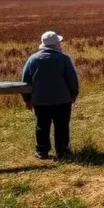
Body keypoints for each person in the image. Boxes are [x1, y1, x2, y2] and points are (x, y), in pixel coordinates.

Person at [21, 31, 79, 160]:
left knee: (42, 125)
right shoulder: (64, 59)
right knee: (62, 125)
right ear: (56, 44)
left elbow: (25, 80)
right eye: (59, 42)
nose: (60, 44)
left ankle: (42, 152)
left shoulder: (33, 59)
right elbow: (72, 79)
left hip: (40, 100)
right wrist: (74, 94)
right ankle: (63, 152)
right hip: (62, 100)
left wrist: (27, 99)